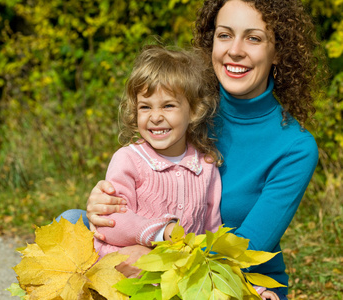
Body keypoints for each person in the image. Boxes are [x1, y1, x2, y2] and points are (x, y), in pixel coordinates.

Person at [60, 0, 323, 299]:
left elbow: (246, 252)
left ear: (278, 51)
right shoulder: (184, 103)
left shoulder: (295, 147)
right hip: (155, 249)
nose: (235, 49)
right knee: (71, 220)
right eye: (224, 35)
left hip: (231, 277)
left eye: (253, 38)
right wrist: (104, 203)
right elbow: (139, 177)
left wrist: (151, 260)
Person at [92, 44, 223, 260]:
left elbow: (213, 234)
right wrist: (161, 232)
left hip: (180, 275)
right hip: (128, 270)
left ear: (193, 110)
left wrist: (248, 287)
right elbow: (110, 223)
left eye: (168, 106)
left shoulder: (206, 167)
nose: (155, 117)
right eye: (145, 107)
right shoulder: (129, 160)